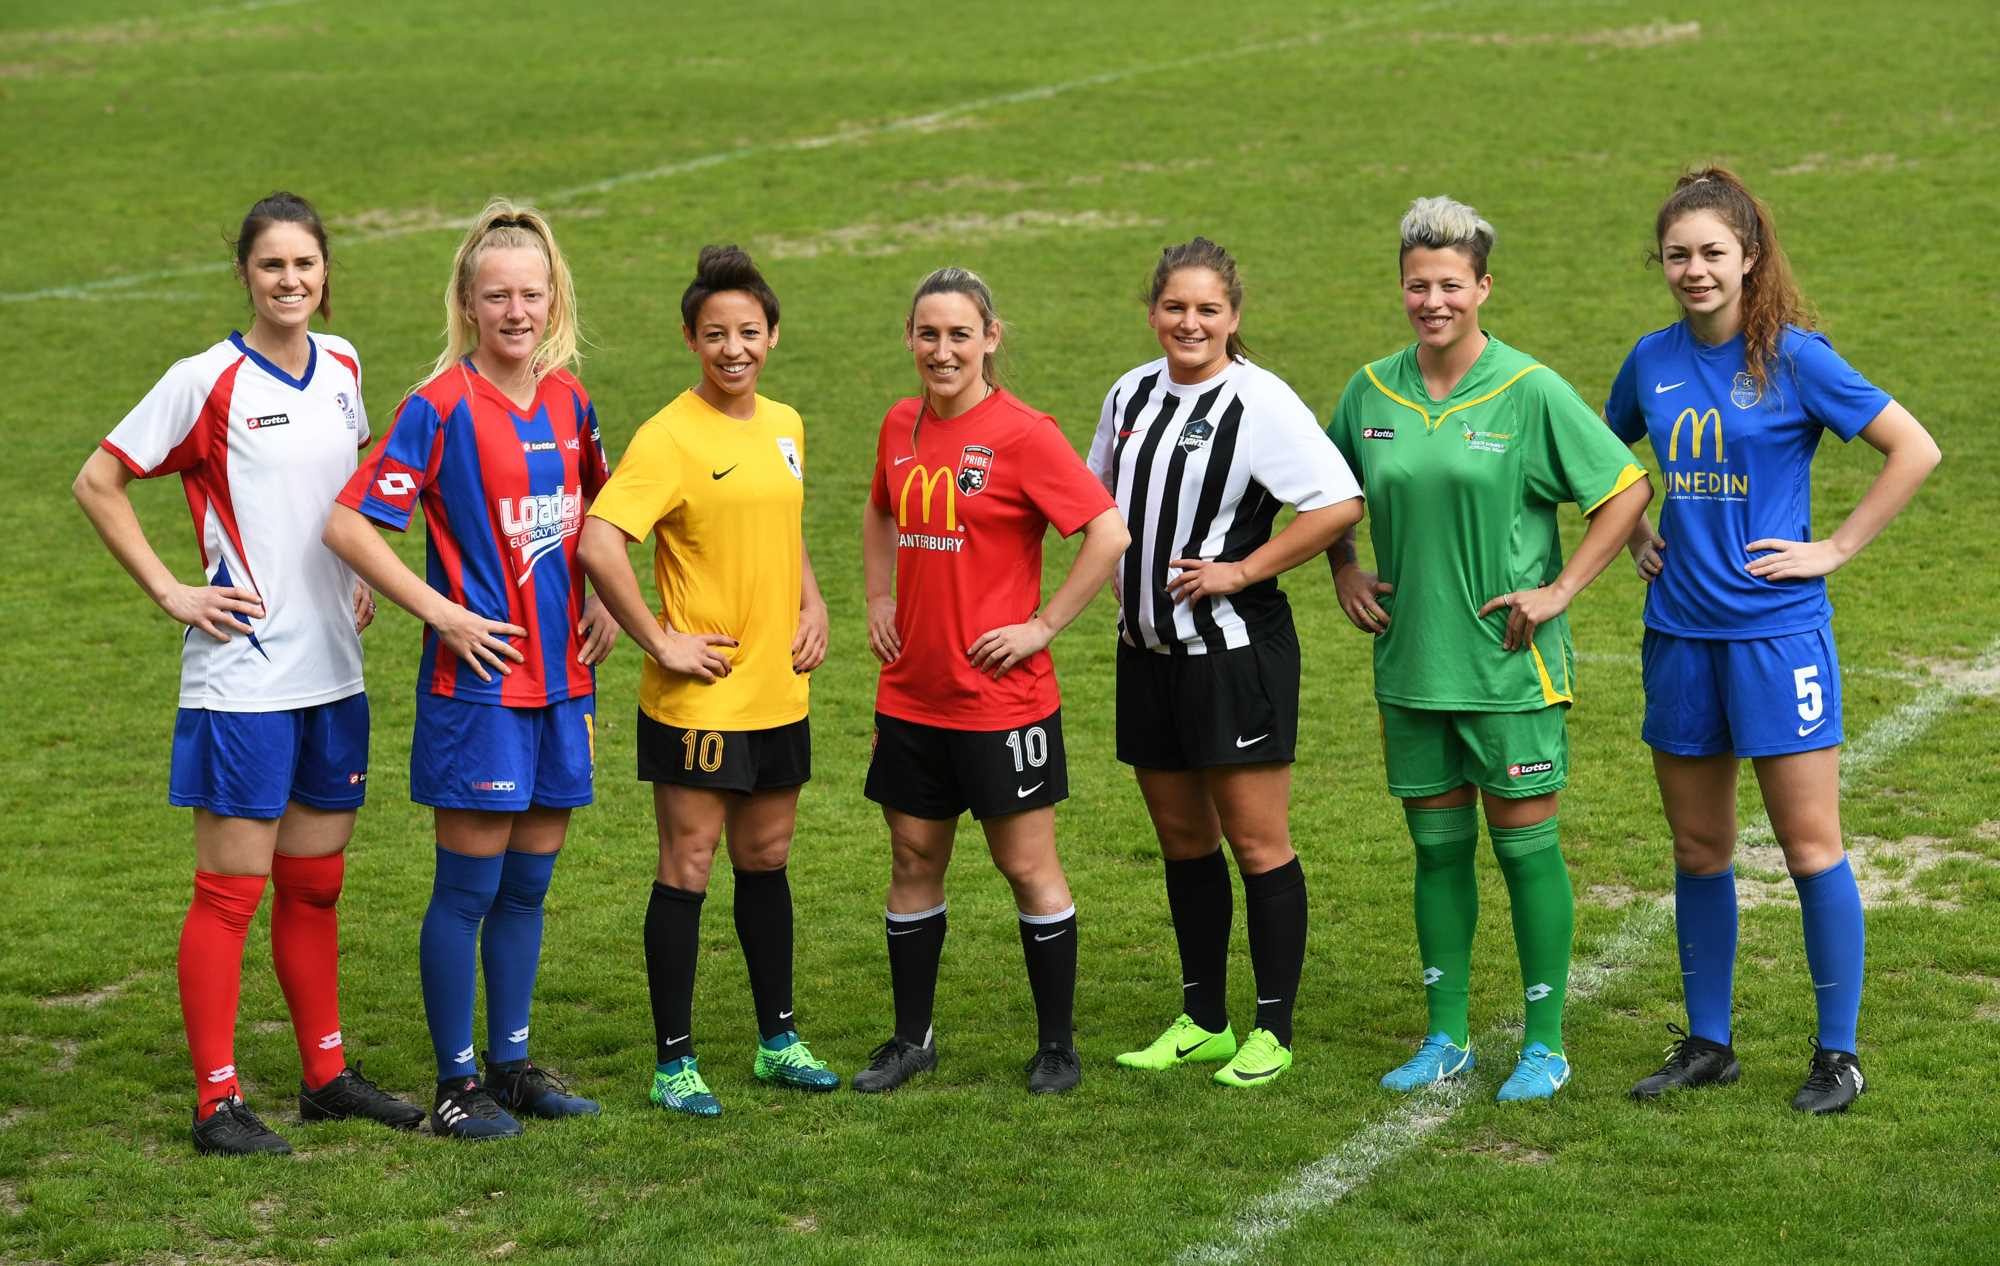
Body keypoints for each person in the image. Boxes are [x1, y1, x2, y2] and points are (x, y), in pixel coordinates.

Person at [72, 192, 425, 1155]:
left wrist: (358, 573)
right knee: (232, 892)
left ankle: (325, 1076)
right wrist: (171, 591)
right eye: (272, 266)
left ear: (326, 271)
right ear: (245, 274)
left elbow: (349, 491)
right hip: (245, 683)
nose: (290, 281)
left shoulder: (346, 365)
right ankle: (216, 1102)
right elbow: (97, 480)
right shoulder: (204, 380)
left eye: (305, 265)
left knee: (315, 886)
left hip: (334, 676)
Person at [1607, 168, 1939, 1113]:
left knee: (1809, 846)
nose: (1696, 270)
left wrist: (1833, 547)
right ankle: (1709, 1043)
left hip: (1775, 637)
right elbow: (1604, 462)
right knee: (1700, 847)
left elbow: (1914, 447)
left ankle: (1839, 1055)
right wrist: (1635, 530)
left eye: (1714, 253)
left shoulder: (1797, 359)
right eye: (1680, 255)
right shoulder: (1651, 360)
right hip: (1679, 636)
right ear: (1662, 262)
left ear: (1749, 258)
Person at [1327, 196, 1651, 1102]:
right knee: (1436, 853)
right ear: (1402, 286)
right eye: (1418, 285)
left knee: (1522, 852)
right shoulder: (1370, 391)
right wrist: (1345, 568)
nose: (1434, 301)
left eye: (1451, 285)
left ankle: (1545, 1042)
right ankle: (1446, 1037)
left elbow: (1624, 489)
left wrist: (1559, 591)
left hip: (1510, 668)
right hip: (1412, 667)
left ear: (1483, 287)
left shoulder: (1530, 389)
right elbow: (1325, 491)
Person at [324, 199, 618, 1140]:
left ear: (554, 298)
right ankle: (457, 1087)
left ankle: (513, 1066)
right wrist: (443, 613)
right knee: (469, 889)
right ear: (468, 302)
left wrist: (606, 598)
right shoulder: (437, 406)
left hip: (562, 685)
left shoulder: (571, 401)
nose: (516, 311)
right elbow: (347, 524)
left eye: (531, 293)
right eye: (497, 296)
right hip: (479, 690)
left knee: (529, 887)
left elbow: (600, 521)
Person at [1090, 238, 1363, 1089]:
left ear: (1234, 318)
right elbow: (1097, 499)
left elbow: (1338, 499)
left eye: (1208, 309)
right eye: (1176, 307)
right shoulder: (1131, 392)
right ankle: (1204, 1019)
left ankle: (1271, 1031)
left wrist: (1240, 571)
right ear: (1153, 312)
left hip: (1233, 655)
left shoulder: (1260, 401)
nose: (1190, 322)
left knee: (1257, 841)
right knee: (1182, 839)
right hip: (1148, 654)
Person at [851, 267, 1128, 1095]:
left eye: (959, 335)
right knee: (913, 858)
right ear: (910, 338)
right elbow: (879, 509)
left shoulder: (1023, 434)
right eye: (929, 335)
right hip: (912, 694)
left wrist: (1042, 626)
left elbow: (1107, 533)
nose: (943, 351)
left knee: (1026, 865)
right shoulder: (899, 424)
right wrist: (876, 594)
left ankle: (1055, 1047)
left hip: (1002, 704)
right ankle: (912, 1040)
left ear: (990, 339)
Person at [578, 245, 836, 1118]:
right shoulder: (670, 436)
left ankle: (778, 1041)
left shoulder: (788, 423)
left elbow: (784, 524)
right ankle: (673, 1063)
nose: (735, 348)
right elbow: (601, 540)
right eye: (716, 333)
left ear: (773, 338)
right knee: (687, 866)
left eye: (750, 332)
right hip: (701, 696)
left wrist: (814, 603)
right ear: (691, 337)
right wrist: (660, 640)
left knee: (767, 860)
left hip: (777, 689)